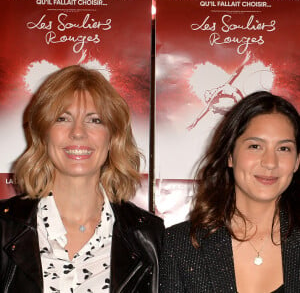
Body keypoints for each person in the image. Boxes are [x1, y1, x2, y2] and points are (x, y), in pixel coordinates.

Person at [0, 65, 164, 293]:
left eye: (94, 120)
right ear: (43, 134)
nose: (78, 132)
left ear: (112, 137)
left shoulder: (150, 237)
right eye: (62, 118)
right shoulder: (4, 227)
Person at [160, 91, 300, 292]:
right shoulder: (180, 246)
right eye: (255, 146)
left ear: (297, 161)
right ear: (230, 155)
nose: (270, 162)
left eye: (284, 149)